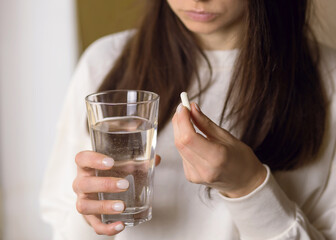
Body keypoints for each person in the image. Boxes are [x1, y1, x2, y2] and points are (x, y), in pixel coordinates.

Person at [40, 0, 336, 239]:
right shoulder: (106, 61)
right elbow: (63, 223)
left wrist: (248, 187)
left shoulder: (328, 79)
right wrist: (92, 221)